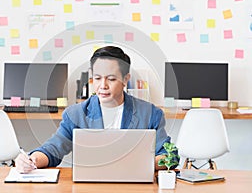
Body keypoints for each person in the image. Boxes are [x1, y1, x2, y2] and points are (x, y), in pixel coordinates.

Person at [15, 46, 177, 173]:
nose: (103, 85)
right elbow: (53, 150)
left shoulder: (150, 113)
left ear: (125, 79)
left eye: (111, 79)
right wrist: (32, 160)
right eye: (97, 78)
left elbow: (168, 156)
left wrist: (141, 163)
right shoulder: (76, 114)